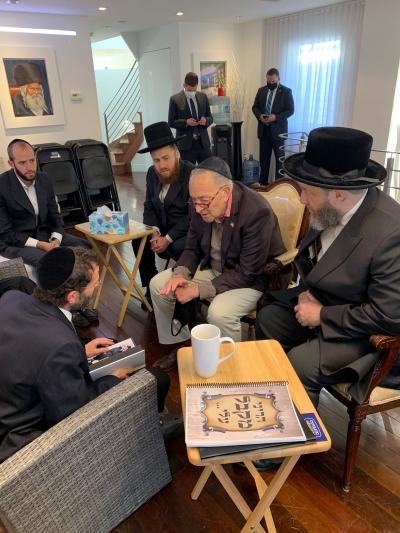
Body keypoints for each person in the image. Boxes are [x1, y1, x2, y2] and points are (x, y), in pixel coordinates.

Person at [255, 126, 400, 408]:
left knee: (301, 363)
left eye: (307, 192)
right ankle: (274, 404)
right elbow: (320, 263)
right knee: (269, 319)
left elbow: (388, 316)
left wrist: (322, 315)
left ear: (339, 194)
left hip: (368, 336)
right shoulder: (328, 209)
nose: (301, 199)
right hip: (328, 305)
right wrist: (308, 293)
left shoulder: (391, 233)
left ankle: (299, 430)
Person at [0, 247, 171, 463]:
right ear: (72, 296)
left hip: (13, 400)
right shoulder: (60, 345)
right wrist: (112, 378)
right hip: (28, 431)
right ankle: (148, 435)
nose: (98, 285)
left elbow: (32, 352)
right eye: (95, 283)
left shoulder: (12, 298)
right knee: (158, 378)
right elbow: (72, 413)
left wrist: (80, 353)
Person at [150, 157, 285, 370]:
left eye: (204, 201)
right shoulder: (199, 202)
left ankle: (231, 366)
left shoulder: (257, 212)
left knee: (219, 313)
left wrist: (198, 290)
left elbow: (248, 272)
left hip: (251, 279)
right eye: (193, 201)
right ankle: (183, 344)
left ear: (225, 192)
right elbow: (192, 248)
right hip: (215, 267)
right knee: (159, 285)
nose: (198, 208)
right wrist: (180, 274)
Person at [0, 138, 95, 327]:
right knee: (49, 260)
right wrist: (40, 245)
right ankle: (63, 311)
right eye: (22, 162)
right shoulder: (2, 186)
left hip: (45, 235)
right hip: (16, 242)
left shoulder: (44, 179)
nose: (29, 167)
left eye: (32, 160)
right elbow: (6, 232)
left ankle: (80, 303)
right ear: (11, 163)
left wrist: (56, 238)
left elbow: (55, 216)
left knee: (84, 248)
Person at [133, 122, 194, 303]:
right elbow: (149, 206)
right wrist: (155, 232)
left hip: (185, 232)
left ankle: (183, 291)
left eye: (166, 158)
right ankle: (151, 284)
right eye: (156, 160)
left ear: (177, 153)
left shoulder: (191, 174)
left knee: (179, 246)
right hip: (162, 230)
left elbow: (192, 216)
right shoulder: (152, 173)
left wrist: (168, 238)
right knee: (139, 239)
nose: (162, 165)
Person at [252, 68, 294, 184]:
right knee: (264, 161)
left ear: (278, 79)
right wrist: (259, 115)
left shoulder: (286, 91)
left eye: (273, 81)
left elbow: (290, 110)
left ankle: (278, 186)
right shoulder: (261, 90)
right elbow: (255, 107)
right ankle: (263, 185)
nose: (270, 83)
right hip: (264, 131)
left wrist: (276, 117)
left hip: (279, 133)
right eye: (268, 81)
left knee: (280, 162)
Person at [168, 71, 213, 164]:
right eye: (189, 90)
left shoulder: (203, 97)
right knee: (187, 172)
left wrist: (206, 121)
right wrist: (186, 122)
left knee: (208, 170)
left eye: (194, 90)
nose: (192, 92)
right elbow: (171, 122)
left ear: (197, 86)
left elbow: (210, 118)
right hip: (185, 146)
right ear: (184, 85)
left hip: (203, 144)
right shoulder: (175, 99)